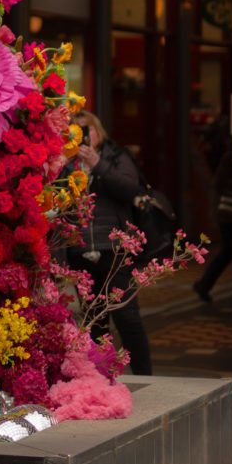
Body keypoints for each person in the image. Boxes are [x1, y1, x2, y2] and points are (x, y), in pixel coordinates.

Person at [70, 110, 153, 376]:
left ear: (99, 131)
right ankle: (102, 378)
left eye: (87, 129)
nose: (82, 135)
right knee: (95, 321)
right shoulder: (66, 162)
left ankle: (145, 375)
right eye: (75, 130)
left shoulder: (116, 157)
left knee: (127, 316)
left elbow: (130, 188)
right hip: (80, 250)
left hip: (115, 250)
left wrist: (98, 164)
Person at [193, 113, 232, 303]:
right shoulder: (229, 157)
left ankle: (204, 284)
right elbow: (217, 185)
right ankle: (204, 284)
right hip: (229, 211)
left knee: (228, 251)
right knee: (229, 250)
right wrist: (214, 210)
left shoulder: (228, 155)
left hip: (227, 211)